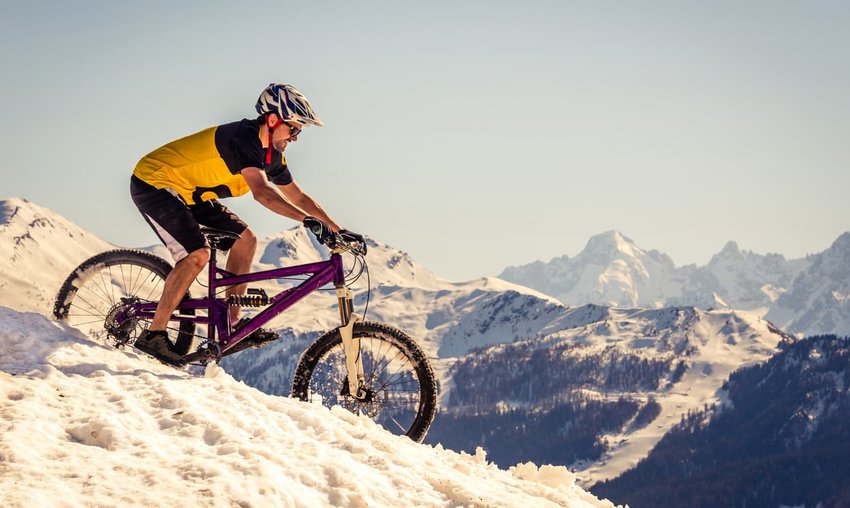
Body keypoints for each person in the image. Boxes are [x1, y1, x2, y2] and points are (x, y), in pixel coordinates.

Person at [130, 83, 358, 365]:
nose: (296, 137)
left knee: (246, 239)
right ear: (273, 120)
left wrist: (336, 229)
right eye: (295, 128)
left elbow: (296, 194)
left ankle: (231, 320)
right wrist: (308, 222)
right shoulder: (243, 139)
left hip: (190, 192)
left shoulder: (271, 153)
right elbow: (262, 193)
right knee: (196, 255)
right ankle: (154, 334)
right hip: (155, 183)